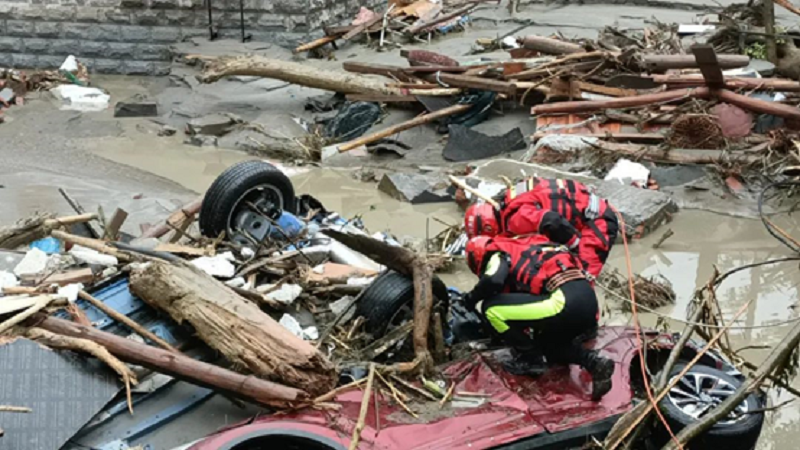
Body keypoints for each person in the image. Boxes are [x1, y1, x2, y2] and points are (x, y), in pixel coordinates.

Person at [462, 234, 615, 401]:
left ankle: (530, 359)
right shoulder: (532, 247)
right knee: (548, 346)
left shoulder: (495, 254)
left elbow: (493, 280)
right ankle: (594, 362)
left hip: (563, 302)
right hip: (588, 303)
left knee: (491, 308)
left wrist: (470, 300)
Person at [464, 177, 619, 279]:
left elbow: (552, 221)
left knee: (581, 278)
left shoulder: (516, 220)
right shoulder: (509, 200)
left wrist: (575, 247)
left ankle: (588, 327)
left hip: (597, 222)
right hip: (588, 211)